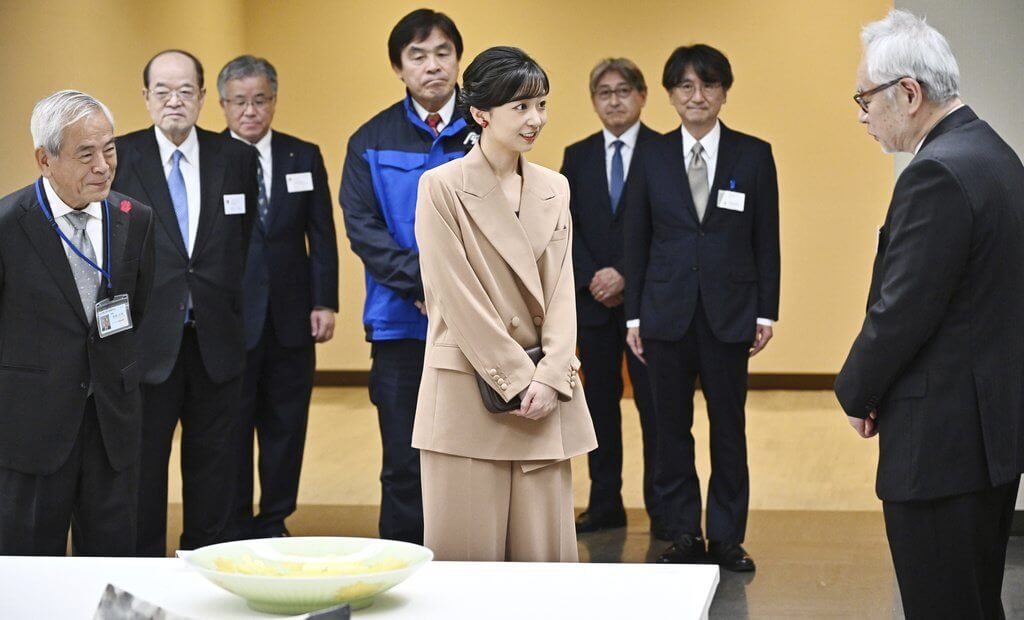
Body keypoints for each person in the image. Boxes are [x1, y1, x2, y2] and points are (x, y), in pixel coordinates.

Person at [835, 10, 1024, 617]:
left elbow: (902, 311)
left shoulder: (937, 172)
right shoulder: (995, 153)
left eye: (865, 99)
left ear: (909, 93)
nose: (862, 115)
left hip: (941, 444)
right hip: (989, 434)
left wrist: (854, 390)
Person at [414, 46, 597, 561]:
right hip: (474, 395)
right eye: (520, 107)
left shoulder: (554, 188)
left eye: (540, 104)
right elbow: (455, 296)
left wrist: (552, 375)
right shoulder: (441, 187)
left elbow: (562, 291)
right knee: (467, 574)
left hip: (543, 395)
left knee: (545, 570)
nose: (535, 119)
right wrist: (519, 380)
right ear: (480, 112)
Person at [624, 44, 780, 571]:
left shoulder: (753, 154)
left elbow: (767, 239)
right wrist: (633, 315)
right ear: (669, 95)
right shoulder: (650, 156)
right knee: (670, 429)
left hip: (730, 312)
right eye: (686, 87)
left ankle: (728, 537)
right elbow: (636, 238)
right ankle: (684, 531)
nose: (698, 96)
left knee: (728, 427)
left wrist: (766, 311)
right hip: (664, 313)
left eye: (708, 85)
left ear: (724, 92)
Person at [111, 49, 258, 556]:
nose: (174, 101)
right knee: (143, 469)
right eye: (162, 91)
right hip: (146, 343)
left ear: (201, 97)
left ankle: (207, 565)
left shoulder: (234, 157)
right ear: (146, 97)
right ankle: (144, 567)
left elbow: (240, 243)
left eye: (185, 91)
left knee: (215, 468)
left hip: (215, 340)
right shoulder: (121, 157)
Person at [338, 8, 473, 545]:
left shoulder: (490, 130)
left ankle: (471, 567)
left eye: (443, 53)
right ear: (399, 67)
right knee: (402, 462)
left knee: (474, 460)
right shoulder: (369, 139)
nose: (432, 66)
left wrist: (453, 289)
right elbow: (362, 228)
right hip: (399, 327)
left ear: (458, 59)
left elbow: (510, 219)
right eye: (417, 56)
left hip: (476, 326)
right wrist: (424, 284)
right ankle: (403, 572)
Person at [0, 90, 154, 555]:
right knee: (29, 566)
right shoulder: (8, 226)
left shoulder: (135, 218)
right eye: (86, 154)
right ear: (44, 160)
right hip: (32, 429)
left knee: (112, 563)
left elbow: (135, 310)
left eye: (109, 149)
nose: (104, 166)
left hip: (111, 422)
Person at [218, 54, 339, 539]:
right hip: (229, 319)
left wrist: (324, 300)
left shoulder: (301, 155)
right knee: (230, 425)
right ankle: (233, 521)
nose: (250, 111)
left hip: (292, 316)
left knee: (286, 424)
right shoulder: (211, 159)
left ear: (274, 100)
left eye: (260, 100)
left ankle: (274, 518)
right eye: (239, 102)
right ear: (223, 105)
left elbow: (322, 235)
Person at [560, 57, 662, 536]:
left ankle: (665, 508)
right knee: (598, 409)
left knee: (658, 408)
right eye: (604, 92)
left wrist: (625, 275)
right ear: (593, 101)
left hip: (650, 304)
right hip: (592, 305)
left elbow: (671, 229)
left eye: (624, 90)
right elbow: (563, 227)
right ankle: (605, 504)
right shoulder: (576, 156)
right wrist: (592, 277)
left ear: (643, 96)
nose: (615, 100)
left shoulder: (665, 152)